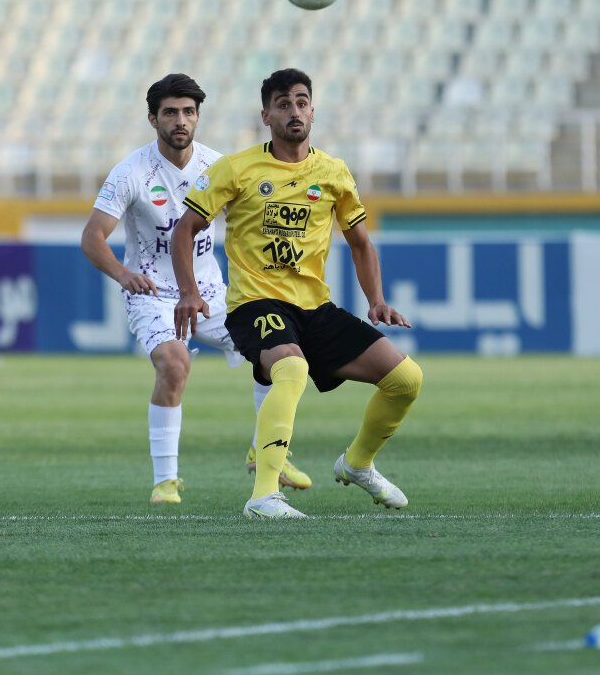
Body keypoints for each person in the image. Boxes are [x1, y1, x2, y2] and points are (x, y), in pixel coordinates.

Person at [172, 68, 423, 519]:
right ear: (266, 115)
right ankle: (263, 496)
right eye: (284, 104)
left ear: (312, 111)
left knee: (406, 380)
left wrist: (376, 300)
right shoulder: (236, 168)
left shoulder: (333, 172)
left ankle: (358, 463)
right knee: (291, 367)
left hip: (315, 308)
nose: (295, 111)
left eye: (302, 102)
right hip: (255, 304)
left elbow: (361, 243)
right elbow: (184, 230)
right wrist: (189, 292)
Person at [81, 73, 311, 505]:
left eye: (188, 112)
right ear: (153, 119)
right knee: (175, 364)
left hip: (209, 293)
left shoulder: (218, 166)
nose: (181, 121)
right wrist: (125, 275)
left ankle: (265, 453)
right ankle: (165, 481)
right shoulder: (131, 171)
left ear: (198, 117)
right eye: (170, 113)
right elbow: (92, 237)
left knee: (279, 351)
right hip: (152, 293)